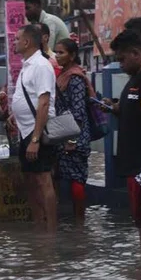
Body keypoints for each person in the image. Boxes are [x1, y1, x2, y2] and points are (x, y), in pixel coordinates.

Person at [11, 24, 58, 232]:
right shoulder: (28, 65)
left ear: (27, 41)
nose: (14, 42)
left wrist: (35, 139)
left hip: (37, 131)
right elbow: (28, 96)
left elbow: (44, 103)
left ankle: (51, 230)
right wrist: (15, 115)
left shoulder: (41, 65)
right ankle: (39, 224)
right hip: (25, 130)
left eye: (17, 38)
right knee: (30, 178)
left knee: (43, 179)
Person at [105, 30, 141, 253]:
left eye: (122, 59)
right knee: (140, 221)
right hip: (133, 167)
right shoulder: (133, 81)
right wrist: (114, 108)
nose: (120, 65)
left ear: (136, 53)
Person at [53, 38, 91, 225]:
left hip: (74, 136)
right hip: (63, 134)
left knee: (77, 177)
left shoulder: (75, 78)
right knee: (64, 177)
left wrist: (72, 140)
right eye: (56, 52)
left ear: (72, 55)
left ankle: (79, 222)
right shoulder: (62, 75)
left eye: (61, 52)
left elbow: (78, 111)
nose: (57, 56)